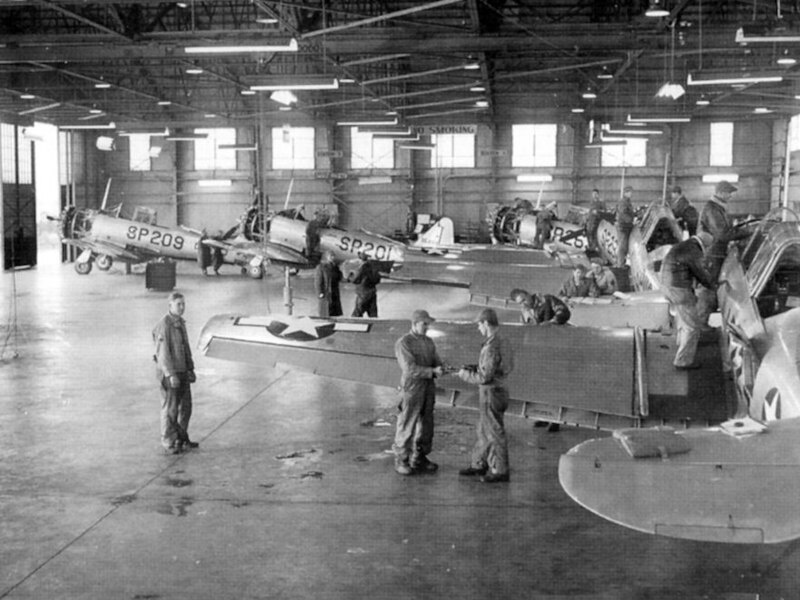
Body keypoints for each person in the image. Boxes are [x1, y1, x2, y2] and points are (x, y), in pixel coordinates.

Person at [457, 308, 514, 483]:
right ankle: (479, 463)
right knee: (484, 430)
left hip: (490, 392)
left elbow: (485, 377)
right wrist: (475, 367)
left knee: (494, 432)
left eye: (479, 325)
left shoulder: (491, 346)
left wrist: (464, 374)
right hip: (500, 390)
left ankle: (500, 470)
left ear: (486, 324)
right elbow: (501, 367)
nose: (478, 328)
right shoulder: (503, 341)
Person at [393, 309, 444, 476]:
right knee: (407, 423)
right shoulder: (404, 343)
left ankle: (419, 457)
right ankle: (402, 459)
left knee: (426, 424)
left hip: (428, 387)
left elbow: (435, 359)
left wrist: (441, 367)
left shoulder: (428, 342)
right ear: (414, 324)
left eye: (428, 324)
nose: (427, 327)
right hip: (412, 388)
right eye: (424, 324)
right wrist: (432, 371)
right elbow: (409, 369)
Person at [660, 232, 717, 369]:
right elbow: (701, 273)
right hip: (679, 290)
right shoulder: (694, 251)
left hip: (667, 286)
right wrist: (714, 286)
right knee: (692, 326)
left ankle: (682, 345)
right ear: (704, 244)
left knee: (683, 320)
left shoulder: (684, 246)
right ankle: (683, 361)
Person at [696, 180, 750, 324]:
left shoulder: (718, 208)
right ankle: (700, 327)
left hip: (715, 254)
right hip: (712, 255)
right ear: (720, 192)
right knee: (708, 289)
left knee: (710, 288)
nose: (730, 196)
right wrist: (747, 232)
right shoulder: (712, 209)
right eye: (729, 193)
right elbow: (722, 234)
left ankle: (701, 325)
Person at [152, 292, 198, 454]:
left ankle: (181, 438)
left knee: (186, 407)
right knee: (170, 409)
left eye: (183, 304)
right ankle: (169, 442)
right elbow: (162, 354)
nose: (182, 307)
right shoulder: (164, 325)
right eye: (178, 304)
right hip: (170, 374)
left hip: (183, 371)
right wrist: (170, 375)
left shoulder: (180, 323)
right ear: (170, 306)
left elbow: (186, 348)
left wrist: (190, 368)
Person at [351, 253, 382, 317]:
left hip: (363, 293)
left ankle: (353, 326)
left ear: (360, 260)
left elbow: (355, 279)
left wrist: (350, 276)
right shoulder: (373, 267)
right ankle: (374, 325)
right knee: (373, 313)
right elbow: (377, 279)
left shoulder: (362, 268)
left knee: (357, 312)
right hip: (372, 292)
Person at [314, 250, 343, 317]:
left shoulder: (335, 267)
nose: (333, 258)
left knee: (335, 312)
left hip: (334, 293)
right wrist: (320, 293)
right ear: (327, 257)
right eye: (331, 256)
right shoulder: (321, 267)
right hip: (326, 293)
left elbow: (339, 278)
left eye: (333, 256)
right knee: (325, 312)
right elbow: (318, 282)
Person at [615, 186, 635, 268]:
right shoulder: (623, 202)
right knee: (622, 247)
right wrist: (631, 221)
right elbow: (623, 214)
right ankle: (620, 265)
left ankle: (622, 263)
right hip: (623, 227)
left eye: (631, 192)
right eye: (629, 192)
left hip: (626, 226)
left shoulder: (627, 201)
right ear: (625, 193)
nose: (631, 194)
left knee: (625, 246)